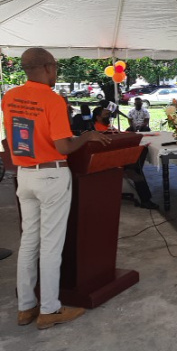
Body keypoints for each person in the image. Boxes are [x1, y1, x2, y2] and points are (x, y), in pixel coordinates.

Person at [2, 48, 111, 329]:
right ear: (49, 67)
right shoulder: (52, 99)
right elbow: (63, 146)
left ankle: (26, 308)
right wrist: (86, 136)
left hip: (24, 176)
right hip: (51, 176)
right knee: (51, 245)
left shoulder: (10, 97)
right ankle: (50, 310)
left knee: (29, 243)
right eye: (56, 68)